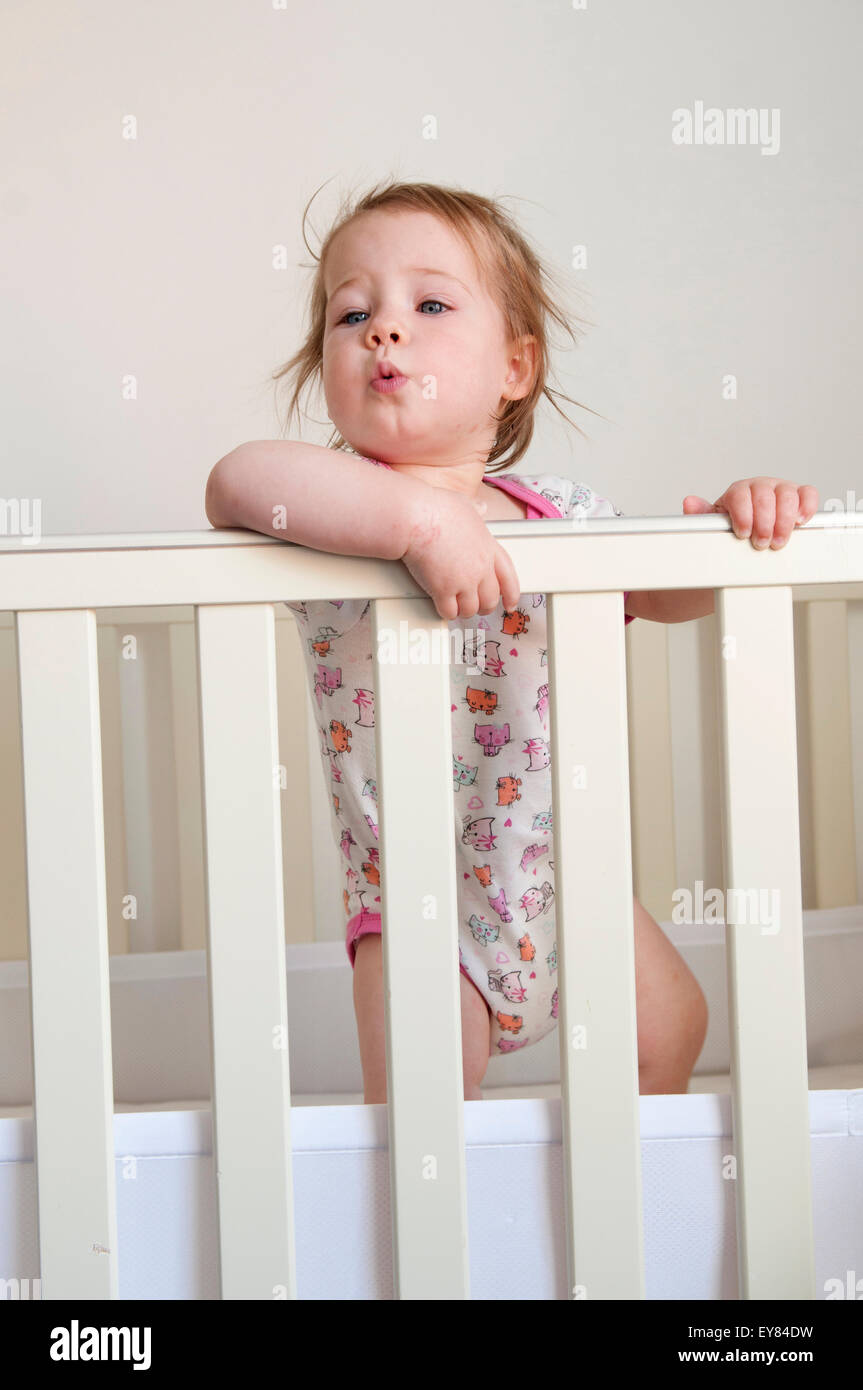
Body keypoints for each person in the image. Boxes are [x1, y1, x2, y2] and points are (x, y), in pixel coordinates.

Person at [205, 179, 819, 1103]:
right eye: (352, 313)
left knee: (671, 1028)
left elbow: (665, 589)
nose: (384, 329)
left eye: (431, 305)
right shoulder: (332, 522)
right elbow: (235, 481)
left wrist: (736, 527)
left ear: (515, 367)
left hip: (565, 878)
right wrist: (422, 523)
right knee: (425, 1101)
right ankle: (442, 1199)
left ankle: (609, 1181)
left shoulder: (560, 518)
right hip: (416, 905)